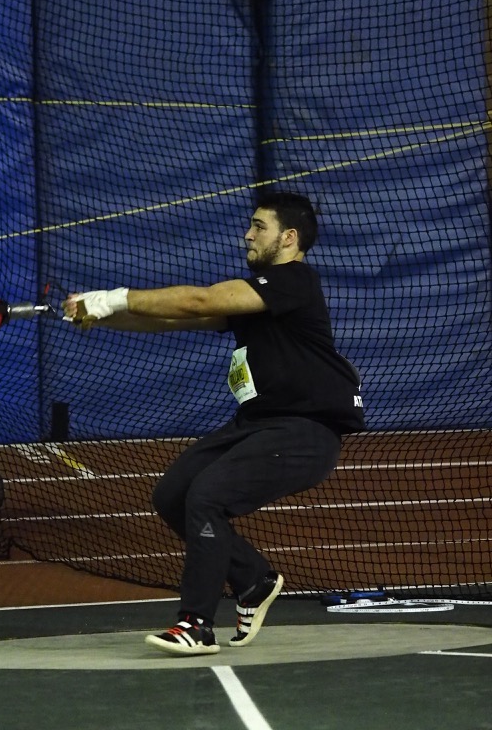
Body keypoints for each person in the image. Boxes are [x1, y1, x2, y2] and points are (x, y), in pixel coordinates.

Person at [62, 191, 365, 656]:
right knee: (173, 496)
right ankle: (253, 580)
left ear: (289, 238)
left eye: (258, 226)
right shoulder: (260, 295)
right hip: (256, 424)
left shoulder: (293, 281)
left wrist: (114, 296)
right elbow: (176, 319)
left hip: (304, 431)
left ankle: (196, 625)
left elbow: (197, 299)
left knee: (207, 496)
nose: (248, 233)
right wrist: (103, 316)